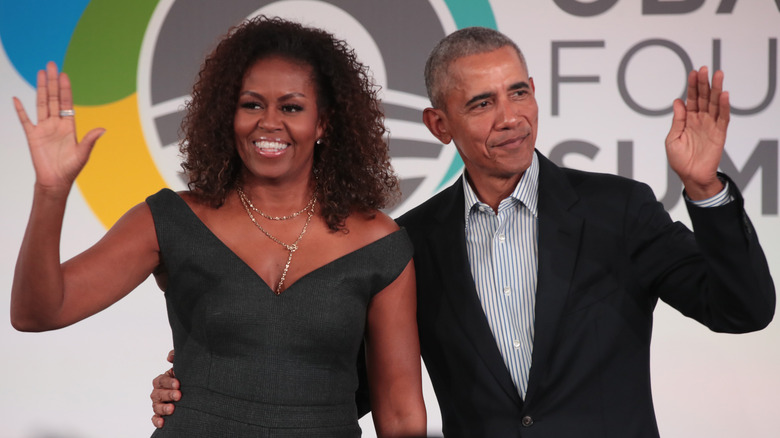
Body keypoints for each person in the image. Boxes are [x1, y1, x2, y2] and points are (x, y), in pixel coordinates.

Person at [151, 27, 775, 437]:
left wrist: (704, 190)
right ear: (438, 123)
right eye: (481, 104)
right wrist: (209, 385)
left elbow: (742, 311)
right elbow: (352, 387)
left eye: (519, 93)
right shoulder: (409, 243)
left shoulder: (619, 210)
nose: (510, 118)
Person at [10, 16, 426, 437]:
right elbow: (38, 312)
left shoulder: (380, 245)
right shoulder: (171, 220)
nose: (269, 122)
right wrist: (51, 190)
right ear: (228, 115)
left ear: (324, 123)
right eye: (251, 104)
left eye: (291, 107)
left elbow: (402, 415)